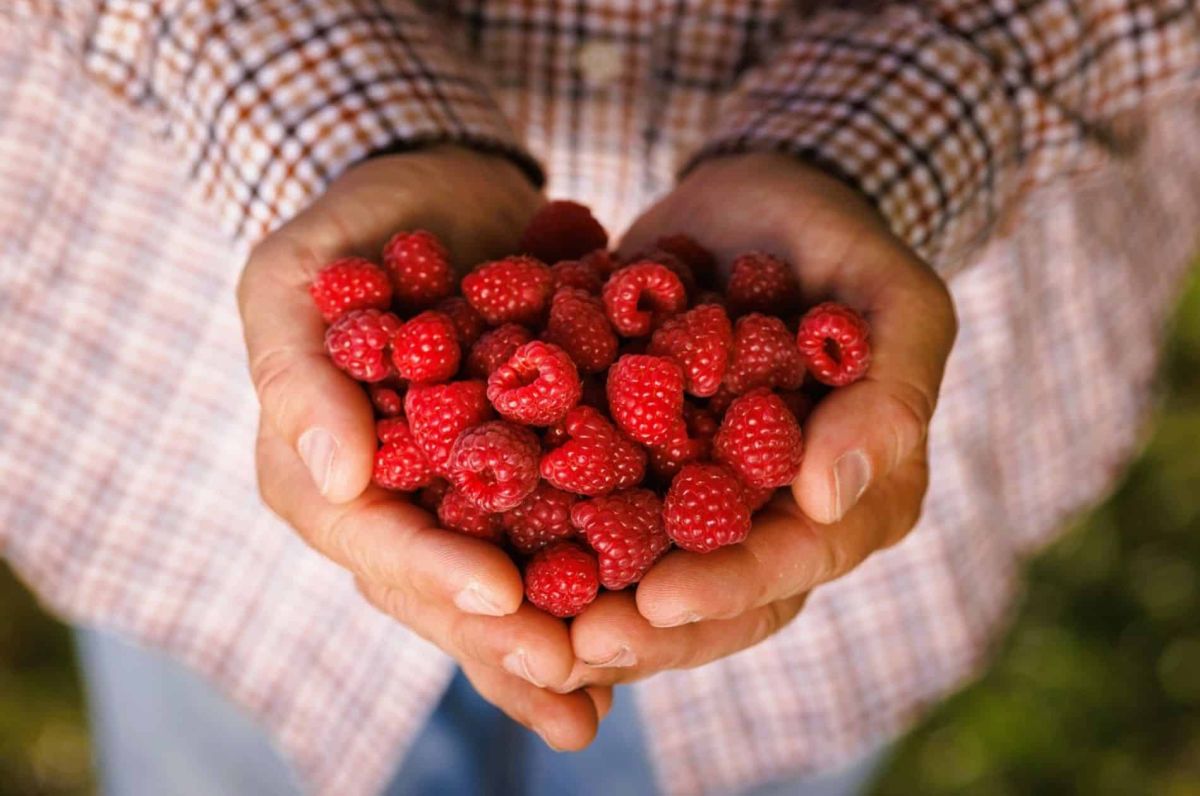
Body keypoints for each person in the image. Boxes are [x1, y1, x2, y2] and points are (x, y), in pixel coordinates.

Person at [1, 1, 1197, 794]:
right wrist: (351, 128)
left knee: (771, 745)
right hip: (194, 460)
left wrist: (872, 143)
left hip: (839, 535)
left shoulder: (686, 397)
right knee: (224, 748)